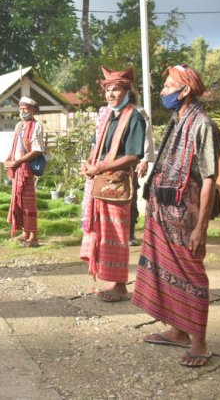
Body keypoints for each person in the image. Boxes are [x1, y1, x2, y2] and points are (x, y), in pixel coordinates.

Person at [132, 64, 220, 368]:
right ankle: (178, 330)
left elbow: (209, 177)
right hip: (163, 211)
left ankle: (199, 342)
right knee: (164, 268)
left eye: (169, 86)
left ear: (185, 91)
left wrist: (201, 227)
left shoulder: (203, 125)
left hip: (186, 212)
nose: (163, 91)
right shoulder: (176, 120)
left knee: (190, 274)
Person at [79, 66, 145, 302]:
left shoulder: (134, 116)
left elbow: (133, 155)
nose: (110, 94)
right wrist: (90, 163)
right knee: (103, 232)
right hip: (101, 180)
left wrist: (101, 167)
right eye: (107, 89)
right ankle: (108, 282)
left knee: (116, 234)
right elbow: (101, 148)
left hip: (117, 183)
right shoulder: (110, 116)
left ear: (127, 90)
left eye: (116, 89)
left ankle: (120, 287)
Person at [4, 97, 45, 247]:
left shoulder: (37, 126)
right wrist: (8, 159)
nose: (22, 111)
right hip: (17, 170)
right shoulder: (19, 125)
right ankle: (25, 233)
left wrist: (19, 162)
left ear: (33, 109)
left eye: (26, 108)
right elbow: (14, 146)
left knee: (28, 203)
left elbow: (37, 150)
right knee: (18, 201)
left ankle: (33, 237)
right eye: (20, 108)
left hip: (26, 170)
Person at [130, 98, 156, 246]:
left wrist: (144, 159)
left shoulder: (138, 111)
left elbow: (147, 134)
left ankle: (129, 232)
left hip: (131, 161)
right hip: (108, 163)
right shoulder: (106, 110)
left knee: (130, 195)